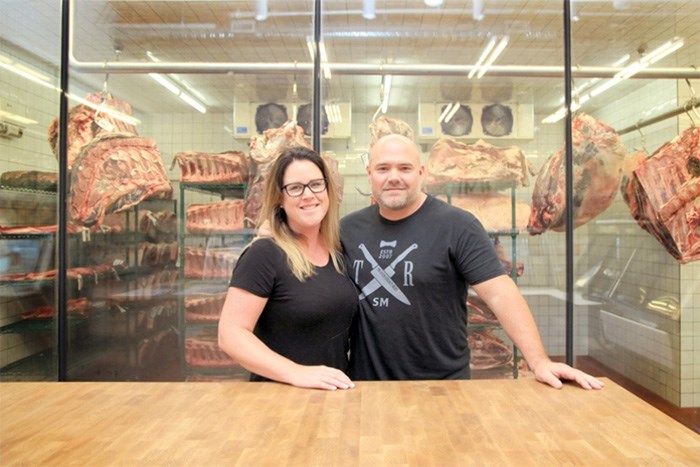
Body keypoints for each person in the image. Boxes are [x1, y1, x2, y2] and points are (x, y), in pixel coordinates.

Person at [340, 134, 604, 390]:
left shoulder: (458, 225)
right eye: (383, 168)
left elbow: (501, 294)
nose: (393, 177)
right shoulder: (348, 230)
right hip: (367, 386)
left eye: (405, 168)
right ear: (370, 174)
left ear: (421, 173)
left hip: (443, 386)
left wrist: (538, 360)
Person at [218, 146, 357, 391]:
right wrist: (295, 373)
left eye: (316, 184)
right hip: (279, 400)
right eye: (295, 188)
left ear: (327, 190)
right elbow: (230, 334)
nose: (308, 195)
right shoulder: (264, 254)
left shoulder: (338, 251)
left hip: (332, 394)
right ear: (280, 198)